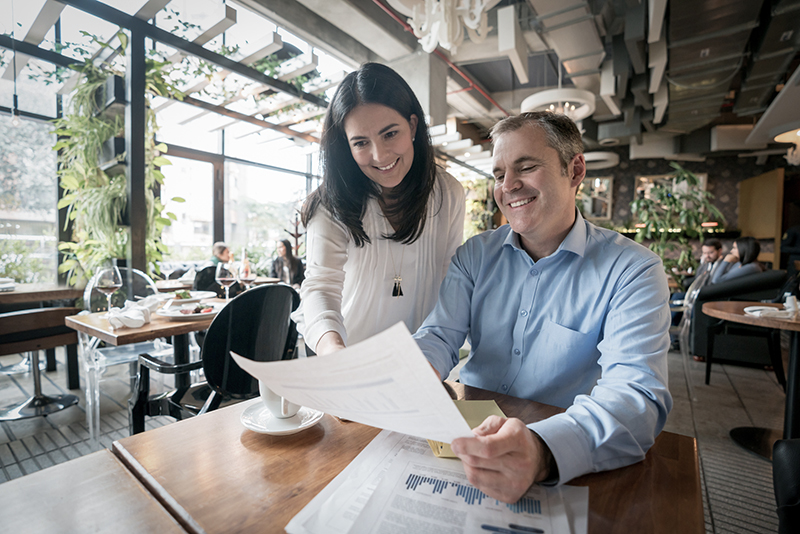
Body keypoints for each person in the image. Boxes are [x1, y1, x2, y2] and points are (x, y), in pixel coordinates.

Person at [413, 112, 671, 503]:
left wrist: (542, 451)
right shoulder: (475, 255)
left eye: (526, 167)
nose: (509, 186)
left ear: (575, 170)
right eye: (499, 174)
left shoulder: (633, 270)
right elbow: (438, 334)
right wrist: (412, 373)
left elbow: (636, 397)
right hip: (463, 437)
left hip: (559, 451)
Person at [294, 62, 465, 356]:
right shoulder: (332, 203)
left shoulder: (448, 193)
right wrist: (334, 351)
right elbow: (321, 287)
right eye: (361, 142)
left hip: (421, 361)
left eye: (390, 134)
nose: (380, 155)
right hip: (345, 355)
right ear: (346, 147)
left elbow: (449, 281)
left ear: (412, 126)